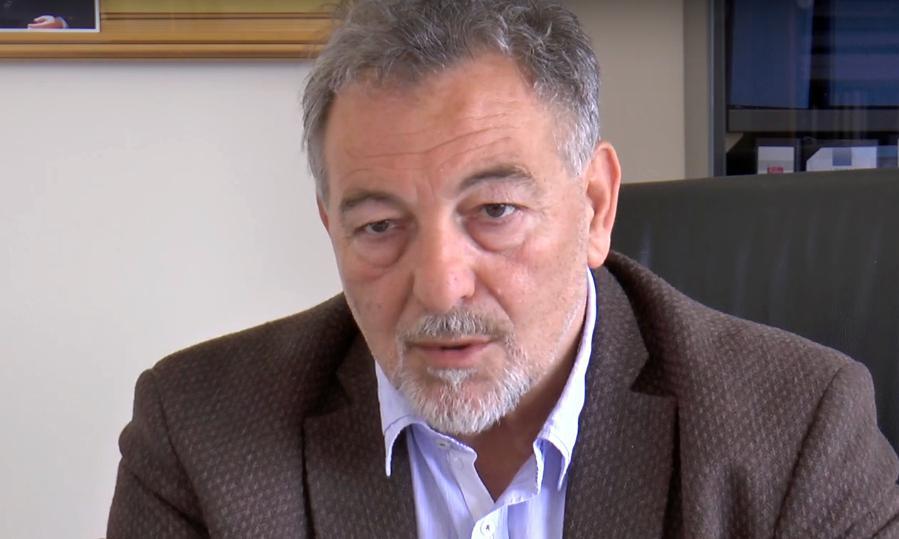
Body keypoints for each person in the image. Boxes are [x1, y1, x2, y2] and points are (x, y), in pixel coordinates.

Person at [107, 0, 899, 537]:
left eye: (493, 211)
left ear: (594, 206)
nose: (440, 285)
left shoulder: (796, 430)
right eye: (379, 226)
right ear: (330, 226)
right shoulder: (202, 433)